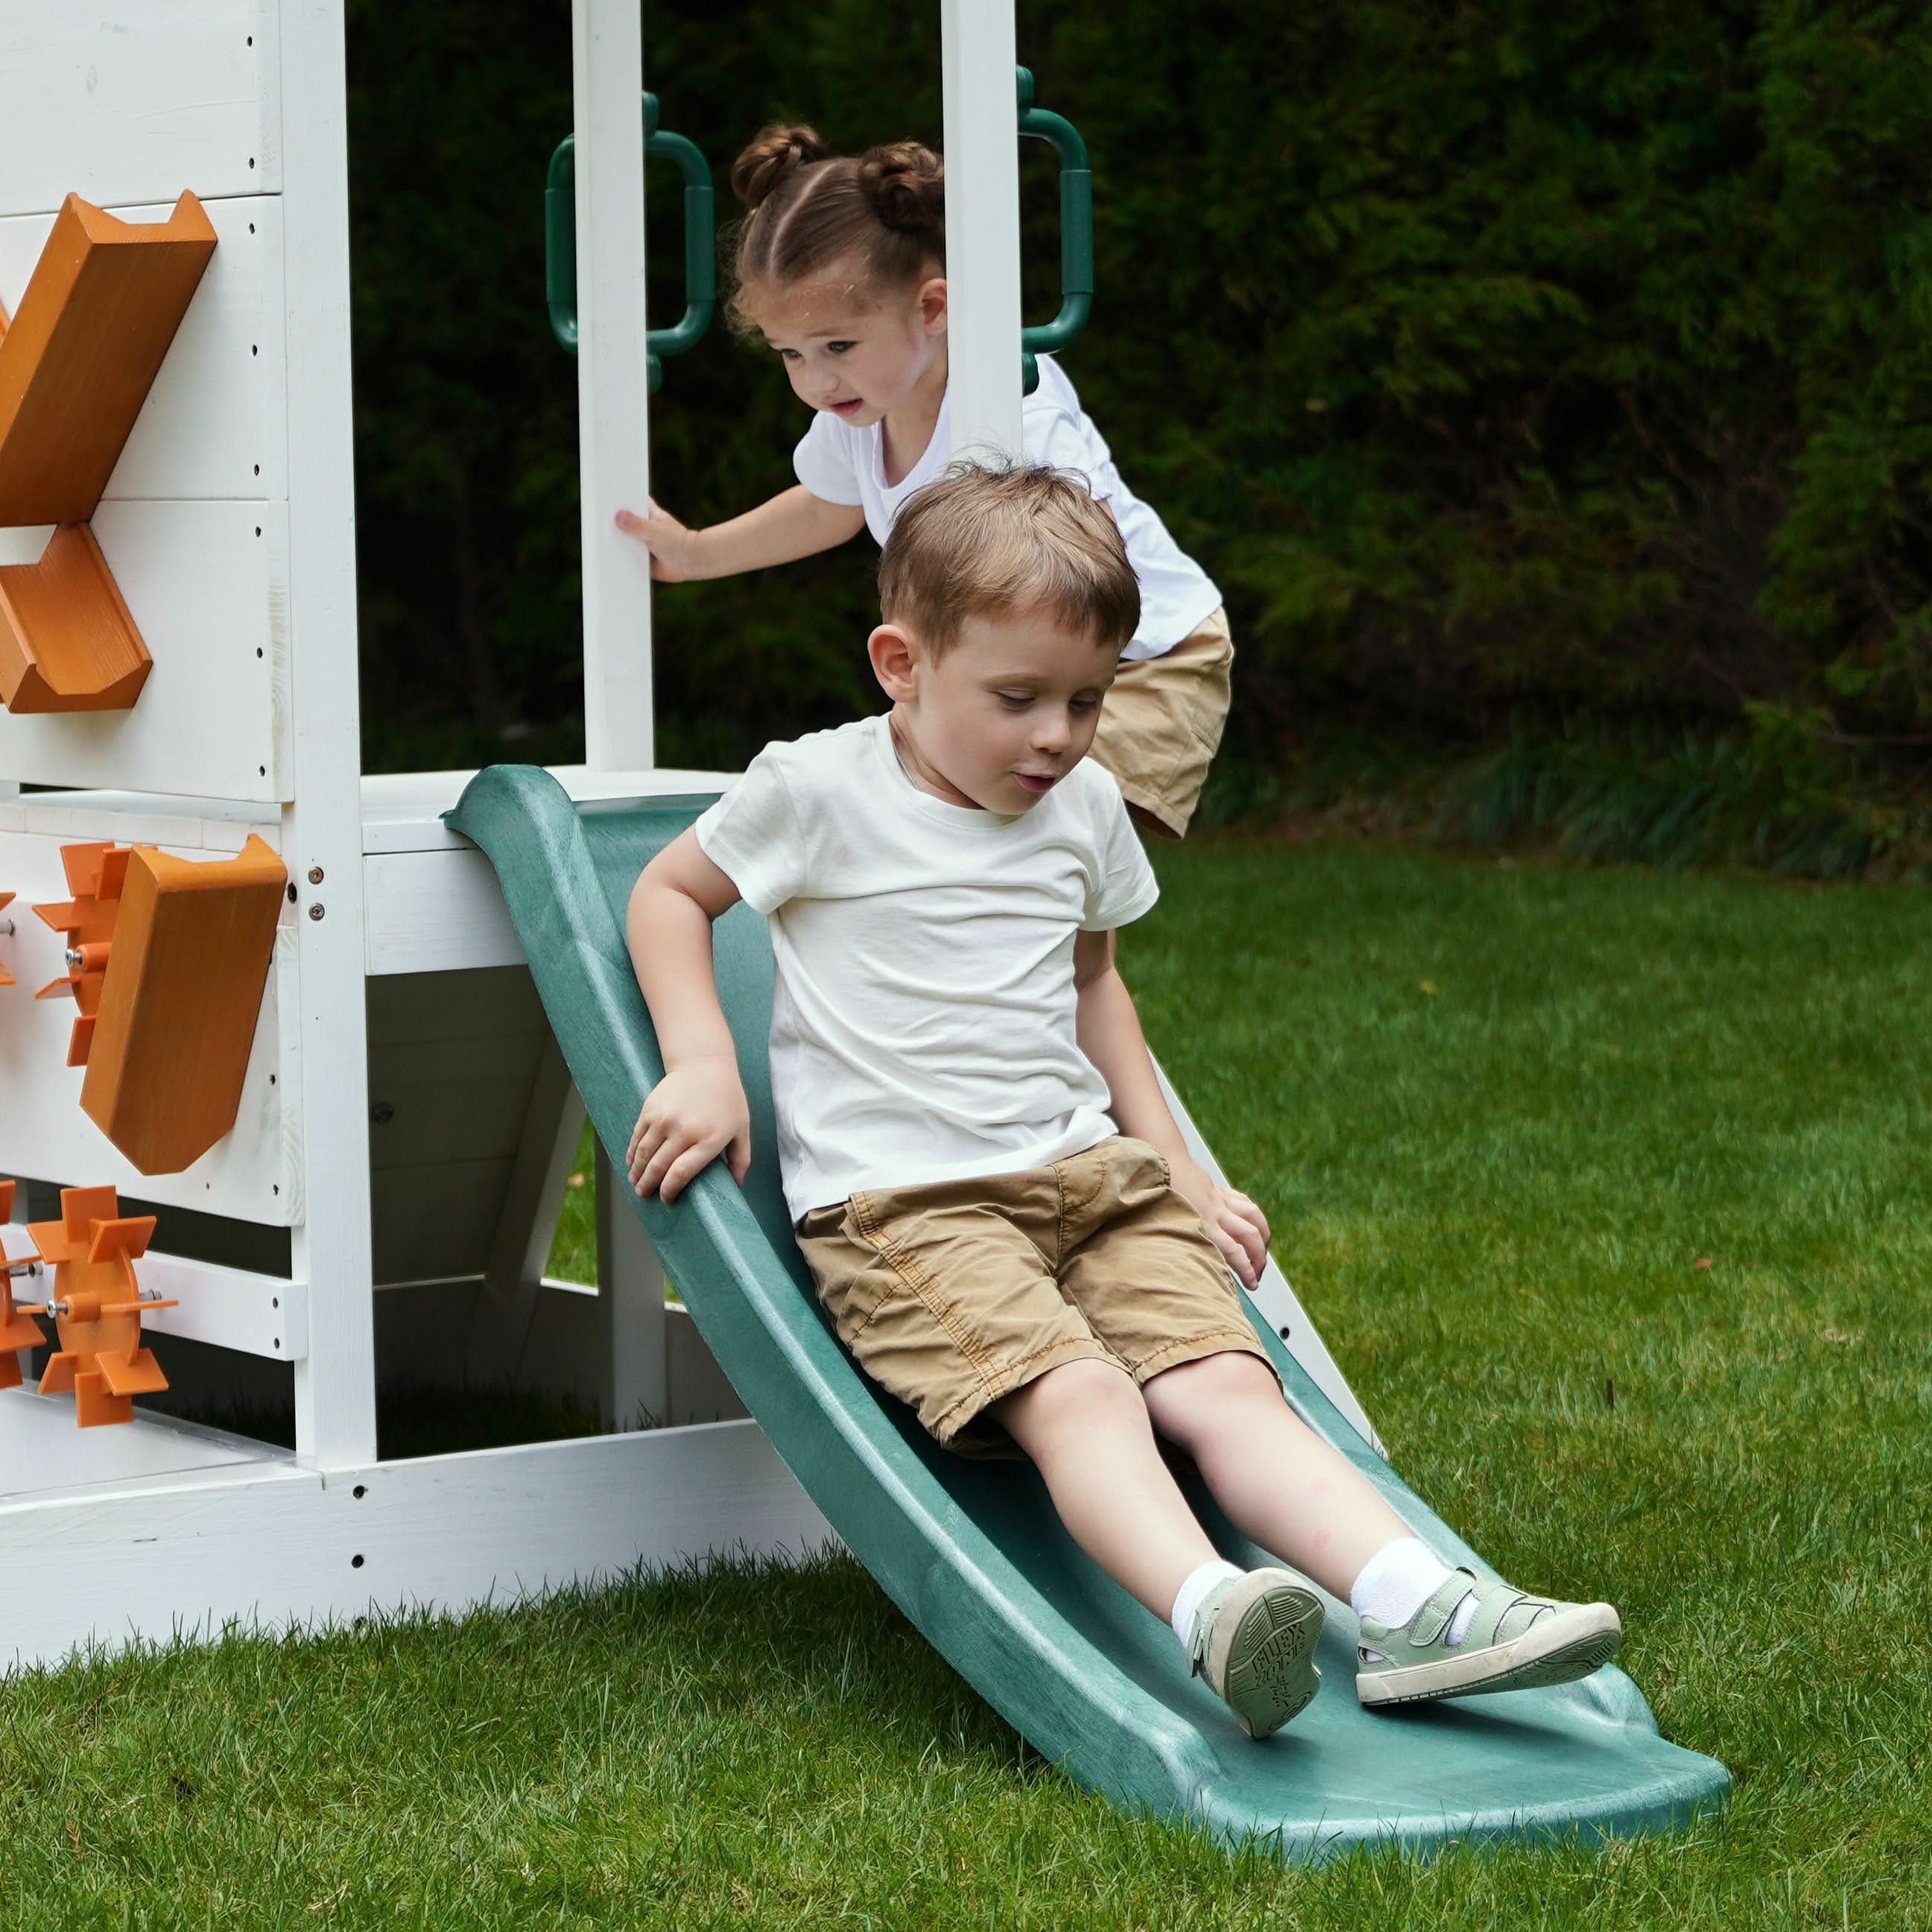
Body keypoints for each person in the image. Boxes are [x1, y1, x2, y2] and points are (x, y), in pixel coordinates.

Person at [623, 463, 1623, 1738]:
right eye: (1017, 698)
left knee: (1227, 1381)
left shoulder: (1083, 806)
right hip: (908, 1214)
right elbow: (667, 892)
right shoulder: (814, 791)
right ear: (899, 662)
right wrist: (701, 1058)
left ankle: (1417, 1605)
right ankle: (1210, 1609)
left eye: (1087, 700)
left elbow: (1097, 987)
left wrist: (1178, 1170)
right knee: (1083, 1393)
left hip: (1089, 1181)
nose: (1055, 734)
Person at [615, 124, 1232, 840]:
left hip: (1139, 657)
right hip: (1015, 670)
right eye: (791, 353)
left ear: (932, 309)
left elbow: (1079, 559)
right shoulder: (859, 413)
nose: (815, 380)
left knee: (1048, 837)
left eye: (838, 346)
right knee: (947, 827)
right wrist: (697, 552)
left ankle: (1082, 960)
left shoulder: (1010, 411)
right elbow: (824, 509)